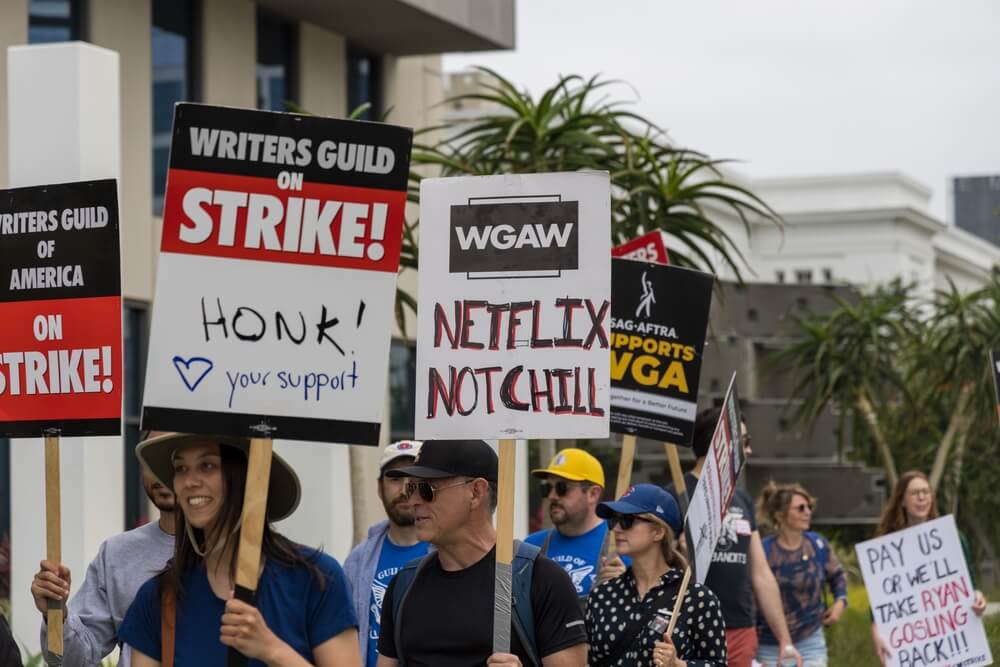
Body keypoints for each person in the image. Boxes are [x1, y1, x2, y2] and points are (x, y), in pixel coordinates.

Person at [118, 432, 360, 666]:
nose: (190, 482)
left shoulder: (316, 579)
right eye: (181, 469)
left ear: (245, 475)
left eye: (208, 465)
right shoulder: (159, 598)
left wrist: (271, 650)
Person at [376, 439, 588, 666]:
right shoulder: (404, 584)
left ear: (476, 492)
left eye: (427, 489)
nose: (414, 500)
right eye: (412, 488)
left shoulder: (541, 580)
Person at [663, 408, 803, 667]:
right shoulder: (675, 493)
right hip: (692, 626)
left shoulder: (741, 499)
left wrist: (785, 639)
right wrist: (677, 550)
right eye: (744, 442)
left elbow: (760, 573)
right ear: (721, 443)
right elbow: (654, 565)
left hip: (740, 629)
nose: (748, 451)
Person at [31, 431, 177, 666]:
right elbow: (76, 658)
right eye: (151, 459)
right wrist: (56, 614)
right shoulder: (116, 553)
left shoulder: (230, 551)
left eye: (173, 459)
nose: (161, 471)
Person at [586, 484, 727, 667]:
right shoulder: (601, 595)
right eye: (614, 520)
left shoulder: (697, 598)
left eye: (627, 520)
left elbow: (718, 664)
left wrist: (678, 665)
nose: (617, 529)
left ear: (659, 531)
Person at [870, 470, 988, 663]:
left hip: (951, 646)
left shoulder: (953, 538)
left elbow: (971, 585)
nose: (922, 497)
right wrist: (877, 635)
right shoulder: (886, 550)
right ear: (902, 500)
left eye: (926, 492)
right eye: (915, 493)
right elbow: (879, 606)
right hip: (912, 649)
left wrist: (978, 600)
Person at [344, 440, 430, 666]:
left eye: (413, 478)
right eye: (394, 479)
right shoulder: (358, 559)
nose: (403, 490)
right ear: (379, 488)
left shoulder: (447, 555)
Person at [755, 482, 847, 667]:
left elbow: (837, 576)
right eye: (800, 508)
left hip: (811, 639)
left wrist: (840, 602)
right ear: (781, 515)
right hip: (768, 644)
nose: (808, 512)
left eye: (809, 507)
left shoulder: (817, 545)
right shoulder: (763, 551)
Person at [526, 448, 617, 599]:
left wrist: (625, 585)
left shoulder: (620, 545)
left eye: (562, 488)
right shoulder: (530, 547)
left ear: (593, 494)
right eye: (547, 488)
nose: (552, 496)